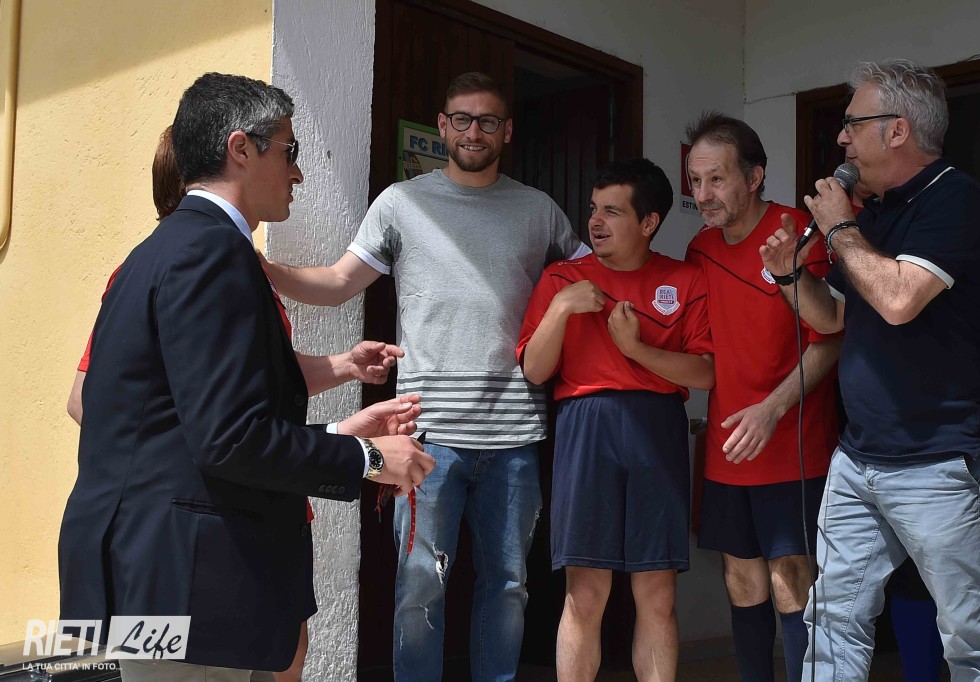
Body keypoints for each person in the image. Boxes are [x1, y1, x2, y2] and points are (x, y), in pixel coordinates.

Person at [57, 72, 435, 682]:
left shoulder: (155, 253)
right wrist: (367, 458)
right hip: (186, 583)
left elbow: (189, 427)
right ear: (241, 149)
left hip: (156, 575)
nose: (298, 173)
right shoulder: (212, 253)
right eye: (289, 150)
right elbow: (229, 438)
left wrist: (340, 431)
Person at [261, 72, 588, 681]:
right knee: (418, 589)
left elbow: (593, 276)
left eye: (487, 121)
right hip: (424, 432)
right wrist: (261, 267)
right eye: (461, 119)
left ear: (507, 131)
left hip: (515, 435)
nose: (473, 131)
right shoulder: (401, 204)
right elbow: (338, 283)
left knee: (509, 587)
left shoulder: (538, 210)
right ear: (442, 126)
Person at [759, 58, 980, 679]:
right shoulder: (873, 216)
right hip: (858, 457)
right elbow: (834, 318)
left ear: (897, 130)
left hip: (939, 462)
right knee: (831, 620)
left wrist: (839, 227)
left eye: (852, 124)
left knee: (969, 639)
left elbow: (899, 299)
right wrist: (789, 276)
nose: (841, 138)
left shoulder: (956, 199)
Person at [516, 157, 713, 682]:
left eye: (612, 211)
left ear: (649, 222)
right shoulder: (562, 278)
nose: (595, 222)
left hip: (657, 426)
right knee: (584, 593)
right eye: (593, 209)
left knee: (658, 592)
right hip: (585, 427)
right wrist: (561, 308)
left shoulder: (684, 278)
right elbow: (535, 369)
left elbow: (706, 372)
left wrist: (637, 350)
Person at [682, 112, 841, 682]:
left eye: (717, 179)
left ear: (754, 177)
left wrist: (773, 408)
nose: (703, 194)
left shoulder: (797, 234)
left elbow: (831, 338)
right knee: (741, 579)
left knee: (790, 579)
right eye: (695, 180)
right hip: (728, 445)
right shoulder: (699, 249)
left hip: (793, 444)